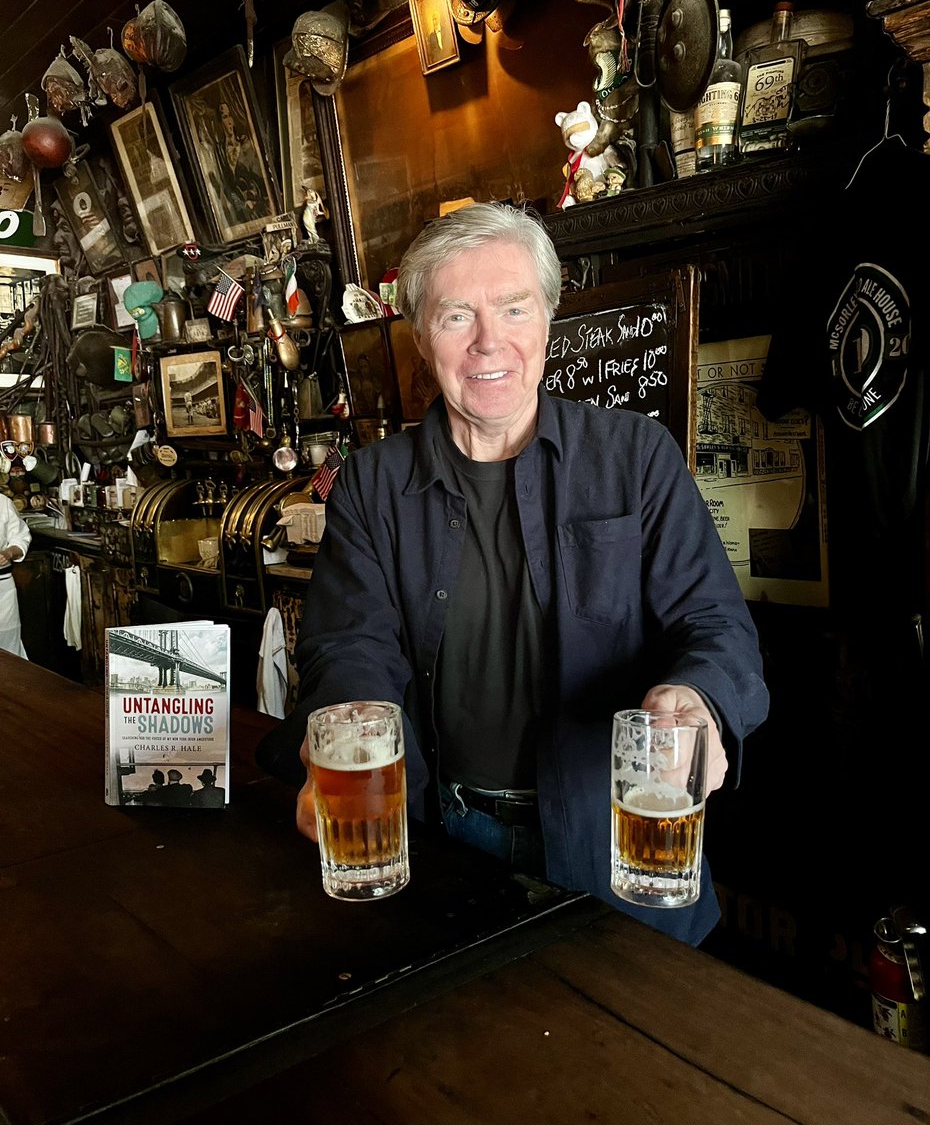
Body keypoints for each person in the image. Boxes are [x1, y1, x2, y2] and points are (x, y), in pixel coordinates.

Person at [255, 202, 769, 945]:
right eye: (456, 315)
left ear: (549, 317)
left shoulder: (637, 457)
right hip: (443, 837)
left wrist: (698, 698)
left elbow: (716, 623)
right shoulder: (369, 484)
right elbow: (347, 648)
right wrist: (345, 740)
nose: (488, 343)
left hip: (618, 840)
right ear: (421, 336)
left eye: (514, 307)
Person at [210, 99, 266, 229]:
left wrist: (255, 201)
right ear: (220, 122)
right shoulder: (219, 151)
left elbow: (259, 177)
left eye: (230, 116)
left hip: (258, 206)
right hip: (240, 214)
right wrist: (240, 206)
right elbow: (227, 184)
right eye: (225, 117)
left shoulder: (246, 144)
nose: (229, 121)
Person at [0, 494, 31, 657]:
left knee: (9, 648)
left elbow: (21, 539)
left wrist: (9, 552)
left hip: (2, 587)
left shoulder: (3, 503)